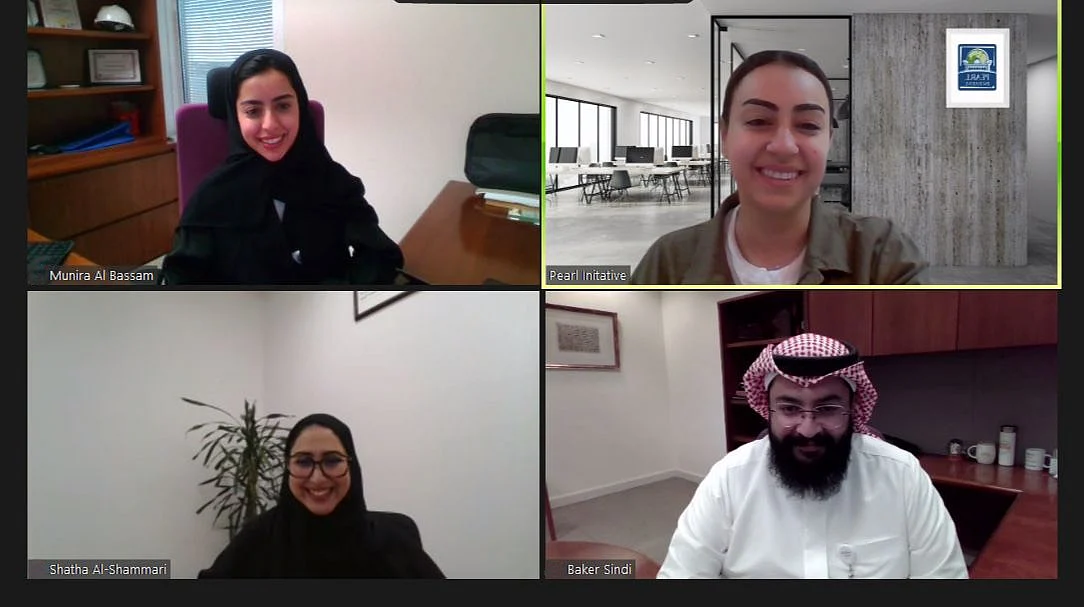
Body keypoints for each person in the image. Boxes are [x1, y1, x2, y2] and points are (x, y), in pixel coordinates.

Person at [657, 333, 967, 579]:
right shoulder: (730, 477)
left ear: (852, 409)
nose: (807, 429)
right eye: (790, 408)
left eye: (828, 409)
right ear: (769, 409)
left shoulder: (903, 475)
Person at [631, 50, 927, 285]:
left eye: (808, 125)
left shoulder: (879, 252)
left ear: (828, 140)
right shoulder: (669, 262)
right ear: (725, 136)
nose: (784, 146)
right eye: (758, 121)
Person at [161, 49, 404, 284]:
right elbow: (181, 279)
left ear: (300, 107)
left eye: (283, 106)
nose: (270, 125)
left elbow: (380, 256)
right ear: (236, 117)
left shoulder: (332, 181)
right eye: (253, 111)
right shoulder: (212, 195)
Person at [198, 413, 445, 578]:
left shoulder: (394, 539)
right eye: (303, 461)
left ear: (352, 466)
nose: (317, 478)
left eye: (332, 460)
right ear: (287, 467)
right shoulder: (259, 537)